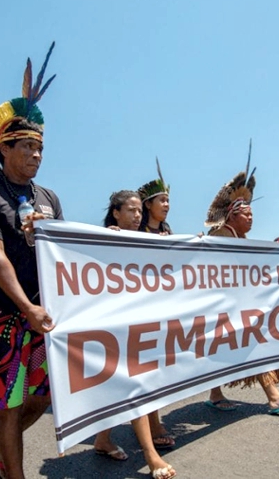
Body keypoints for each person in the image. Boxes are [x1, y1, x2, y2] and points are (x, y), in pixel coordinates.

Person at [0, 43, 62, 479]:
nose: (36, 155)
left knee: (43, 396)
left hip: (43, 313)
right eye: (27, 147)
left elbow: (64, 253)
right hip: (1, 312)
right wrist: (26, 306)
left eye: (40, 148)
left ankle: (1, 448)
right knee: (8, 401)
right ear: (3, 149)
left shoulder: (49, 197)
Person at [204, 160, 279, 414]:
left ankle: (271, 395)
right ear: (231, 216)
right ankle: (255, 395)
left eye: (251, 215)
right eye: (246, 215)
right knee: (224, 350)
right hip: (221, 307)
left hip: (241, 306)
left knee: (253, 345)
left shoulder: (241, 238)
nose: (250, 219)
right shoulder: (219, 237)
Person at [92, 190, 176, 479]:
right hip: (115, 325)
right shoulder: (104, 237)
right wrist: (107, 238)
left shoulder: (146, 238)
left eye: (139, 210)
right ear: (116, 213)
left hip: (140, 323)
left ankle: (102, 439)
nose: (137, 215)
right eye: (130, 210)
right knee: (136, 382)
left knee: (130, 382)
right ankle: (150, 455)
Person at [135, 162, 175, 450]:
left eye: (169, 200)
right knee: (145, 369)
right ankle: (154, 422)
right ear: (148, 204)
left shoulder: (170, 233)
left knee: (158, 368)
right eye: (162, 200)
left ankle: (103, 437)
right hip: (140, 311)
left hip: (164, 309)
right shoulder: (131, 232)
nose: (167, 205)